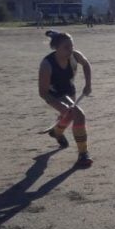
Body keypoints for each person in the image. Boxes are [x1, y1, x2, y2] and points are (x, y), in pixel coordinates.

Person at [38, 30, 93, 168]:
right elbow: (43, 92)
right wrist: (59, 105)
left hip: (69, 90)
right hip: (54, 94)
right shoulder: (47, 65)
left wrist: (88, 84)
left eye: (72, 46)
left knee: (69, 115)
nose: (71, 50)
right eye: (66, 47)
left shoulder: (75, 55)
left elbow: (86, 64)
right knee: (78, 114)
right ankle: (83, 154)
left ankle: (56, 132)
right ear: (56, 48)